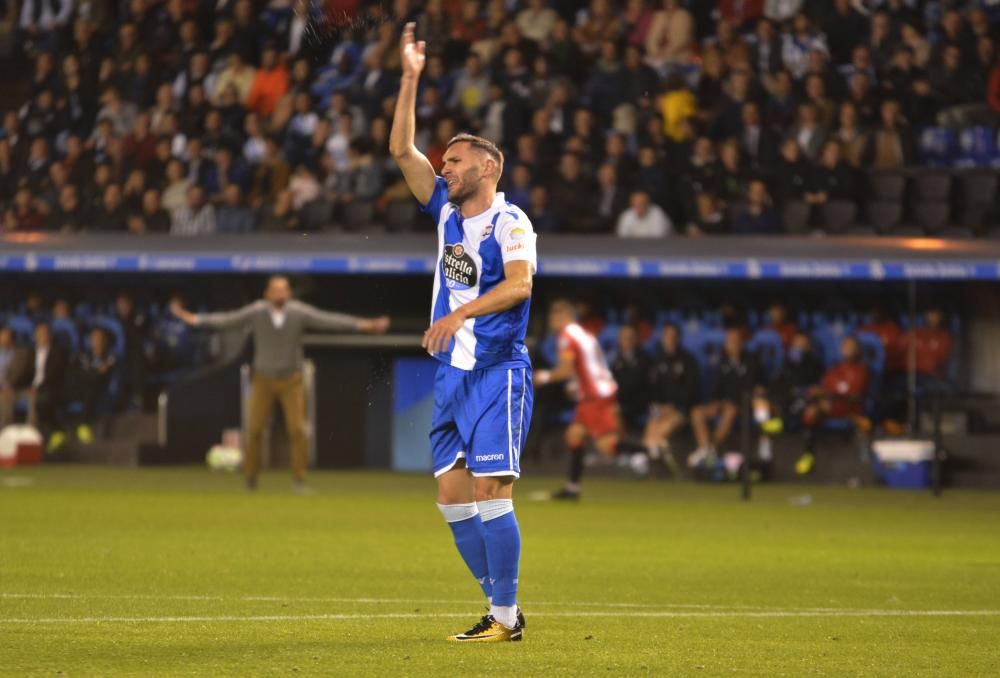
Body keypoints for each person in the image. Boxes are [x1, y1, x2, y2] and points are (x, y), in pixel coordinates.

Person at [388, 23, 537, 643]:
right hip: (452, 375)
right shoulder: (445, 212)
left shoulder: (511, 222)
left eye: (454, 160)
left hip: (498, 372)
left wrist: (458, 315)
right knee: (452, 498)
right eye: (444, 160)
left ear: (488, 166)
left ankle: (504, 618)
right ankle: (502, 610)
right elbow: (402, 150)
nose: (443, 167)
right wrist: (410, 78)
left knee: (491, 490)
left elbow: (520, 286)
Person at [170, 276, 390, 491]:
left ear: (289, 293)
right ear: (267, 293)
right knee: (254, 429)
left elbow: (330, 320)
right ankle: (251, 478)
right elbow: (229, 320)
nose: (280, 294)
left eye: (283, 289)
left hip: (291, 379)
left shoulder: (298, 312)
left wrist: (366, 325)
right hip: (263, 379)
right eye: (276, 290)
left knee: (297, 430)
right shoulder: (257, 311)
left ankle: (299, 480)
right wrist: (195, 319)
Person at [536, 300, 619, 501]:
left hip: (594, 396)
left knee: (607, 446)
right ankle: (572, 488)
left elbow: (565, 371)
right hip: (596, 391)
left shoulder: (567, 337)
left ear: (565, 317)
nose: (552, 323)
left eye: (555, 318)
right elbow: (588, 366)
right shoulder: (583, 334)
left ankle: (651, 451)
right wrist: (576, 386)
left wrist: (543, 377)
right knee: (575, 435)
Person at [688, 328, 763, 467]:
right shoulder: (722, 362)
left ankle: (712, 448)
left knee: (730, 411)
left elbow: (750, 387)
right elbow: (717, 388)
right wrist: (717, 402)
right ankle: (705, 449)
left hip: (743, 405)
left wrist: (731, 401)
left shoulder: (751, 361)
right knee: (697, 412)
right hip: (723, 403)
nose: (732, 344)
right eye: (729, 341)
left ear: (742, 343)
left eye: (735, 341)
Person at [799, 335, 870, 475]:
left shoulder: (862, 370)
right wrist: (819, 393)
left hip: (850, 408)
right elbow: (825, 387)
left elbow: (855, 393)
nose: (847, 349)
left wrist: (831, 396)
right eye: (845, 346)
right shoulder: (834, 368)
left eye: (851, 347)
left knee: (821, 406)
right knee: (810, 411)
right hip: (830, 406)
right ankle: (808, 455)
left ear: (857, 350)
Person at [642, 324, 699, 466]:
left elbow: (691, 390)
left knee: (664, 427)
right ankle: (658, 455)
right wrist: (661, 406)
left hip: (681, 410)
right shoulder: (657, 360)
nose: (670, 340)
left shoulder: (688, 361)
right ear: (662, 338)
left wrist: (674, 406)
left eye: (673, 337)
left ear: (679, 338)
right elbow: (652, 389)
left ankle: (657, 460)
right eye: (667, 336)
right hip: (660, 409)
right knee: (652, 427)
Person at [72, 327, 118, 445]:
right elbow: (79, 372)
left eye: (100, 338)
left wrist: (91, 372)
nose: (97, 341)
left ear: (105, 340)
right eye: (94, 338)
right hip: (82, 386)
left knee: (92, 387)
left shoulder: (110, 355)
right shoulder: (85, 355)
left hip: (101, 388)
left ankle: (83, 425)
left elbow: (104, 372)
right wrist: (94, 372)